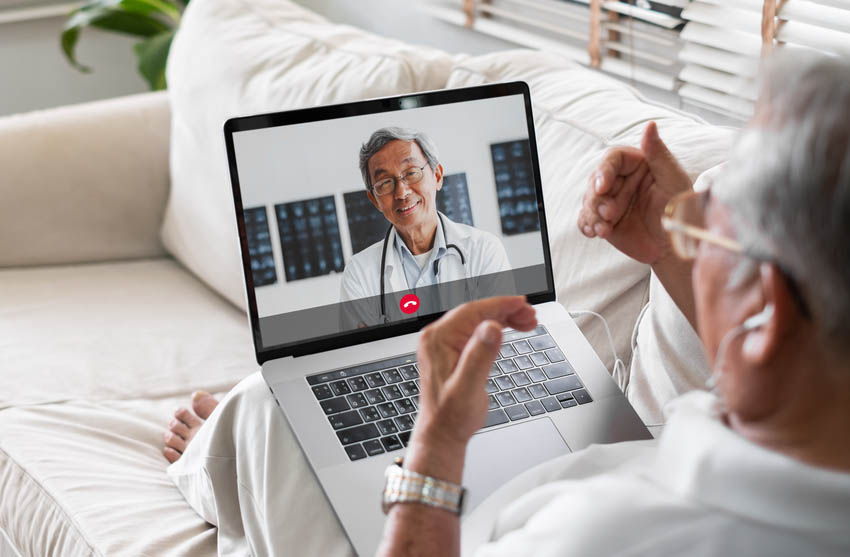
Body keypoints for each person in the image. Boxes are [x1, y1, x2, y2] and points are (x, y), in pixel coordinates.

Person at [164, 53, 850, 556]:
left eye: (708, 225)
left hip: (461, 510)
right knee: (273, 409)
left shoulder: (611, 537)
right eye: (383, 185)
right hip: (585, 452)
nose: (400, 194)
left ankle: (212, 463)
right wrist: (676, 249)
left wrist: (432, 445)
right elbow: (790, 352)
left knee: (261, 413)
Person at [339, 127, 512, 323]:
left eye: (411, 173)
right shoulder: (359, 273)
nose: (401, 193)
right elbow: (363, 352)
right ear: (374, 200)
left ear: (437, 176)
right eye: (385, 183)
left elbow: (500, 337)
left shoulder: (484, 249)